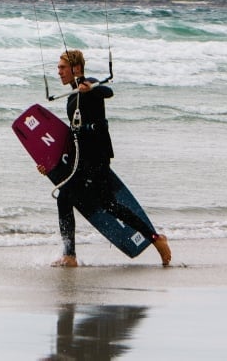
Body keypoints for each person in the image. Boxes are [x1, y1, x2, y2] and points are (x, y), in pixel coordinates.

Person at [38, 49, 171, 267]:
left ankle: (156, 239)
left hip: (97, 159)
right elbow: (71, 139)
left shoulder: (90, 86)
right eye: (58, 68)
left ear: (76, 69)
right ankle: (69, 256)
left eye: (62, 67)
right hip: (82, 162)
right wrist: (50, 166)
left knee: (108, 204)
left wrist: (91, 88)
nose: (59, 72)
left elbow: (108, 92)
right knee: (68, 198)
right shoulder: (72, 99)